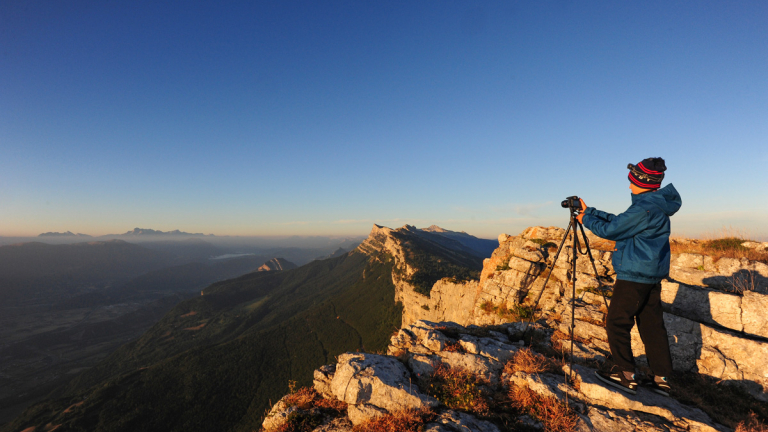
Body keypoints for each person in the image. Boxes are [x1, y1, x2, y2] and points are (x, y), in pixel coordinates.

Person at [576, 157, 682, 396]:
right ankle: (661, 378)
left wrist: (585, 219)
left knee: (617, 321)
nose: (628, 186)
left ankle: (625, 374)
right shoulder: (653, 205)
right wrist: (590, 211)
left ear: (642, 181)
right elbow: (620, 221)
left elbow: (610, 230)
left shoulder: (644, 208)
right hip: (650, 275)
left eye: (631, 181)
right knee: (652, 326)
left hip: (634, 275)